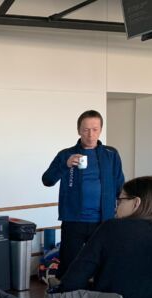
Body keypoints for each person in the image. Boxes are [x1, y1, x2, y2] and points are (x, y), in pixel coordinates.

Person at [42, 109, 124, 278]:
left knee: (104, 266)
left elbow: (120, 185)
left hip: (104, 221)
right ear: (79, 130)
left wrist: (122, 215)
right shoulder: (66, 154)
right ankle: (68, 294)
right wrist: (65, 165)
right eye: (86, 130)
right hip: (73, 220)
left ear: (101, 130)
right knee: (69, 267)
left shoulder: (111, 154)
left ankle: (98, 295)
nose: (90, 134)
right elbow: (47, 180)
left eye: (95, 129)